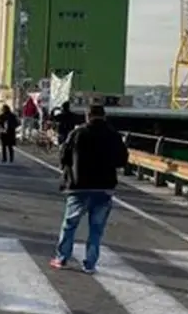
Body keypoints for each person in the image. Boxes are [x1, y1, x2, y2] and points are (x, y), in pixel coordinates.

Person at [51, 105, 129, 273]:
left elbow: (63, 156)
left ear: (87, 116)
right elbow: (122, 160)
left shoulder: (77, 133)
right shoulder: (113, 135)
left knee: (70, 225)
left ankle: (62, 258)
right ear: (104, 116)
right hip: (104, 187)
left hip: (79, 187)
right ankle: (90, 263)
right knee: (96, 229)